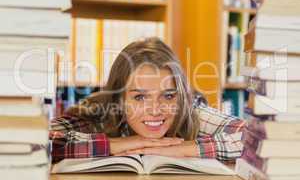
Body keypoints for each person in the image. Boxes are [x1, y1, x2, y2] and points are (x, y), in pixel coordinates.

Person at [50, 38, 245, 162]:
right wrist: (114, 144)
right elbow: (40, 141)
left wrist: (186, 149)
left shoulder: (190, 111)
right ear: (119, 100)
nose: (155, 110)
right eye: (140, 97)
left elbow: (254, 139)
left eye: (168, 96)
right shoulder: (97, 112)